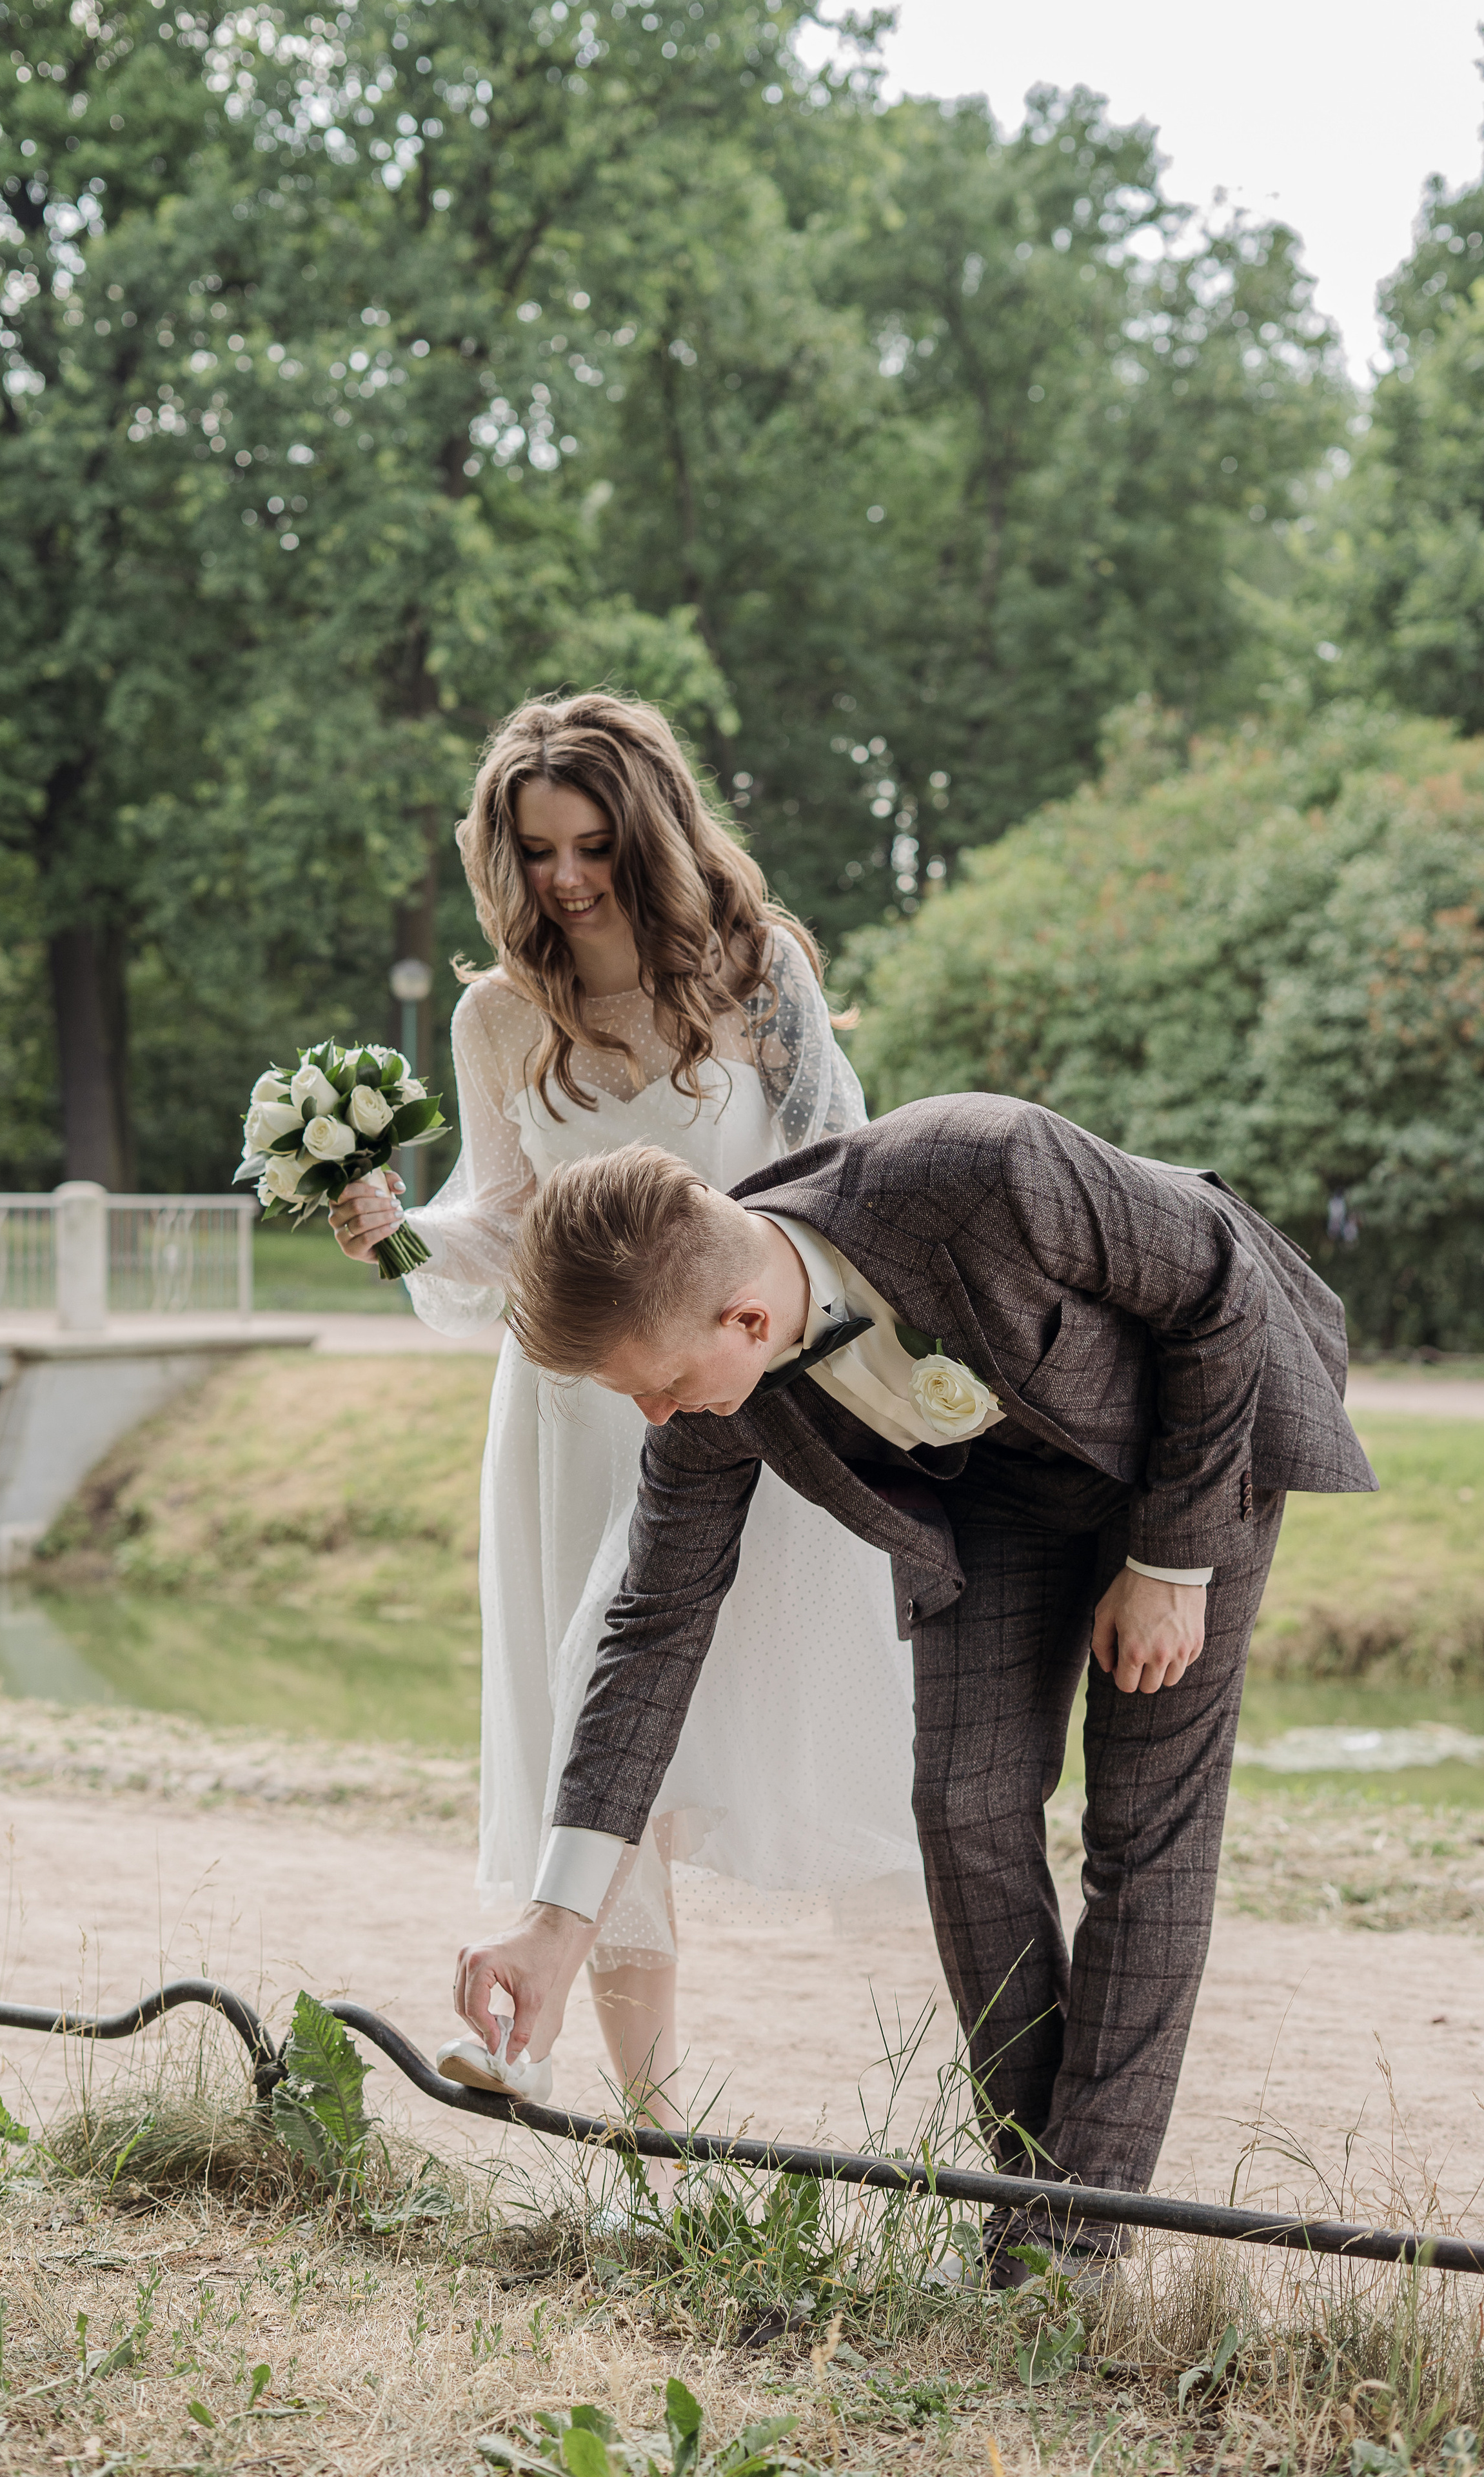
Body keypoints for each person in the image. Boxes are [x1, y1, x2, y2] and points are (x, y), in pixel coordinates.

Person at [450, 1106, 1378, 2282]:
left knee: (1143, 1829)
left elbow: (1220, 1286)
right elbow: (653, 1630)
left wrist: (1173, 1561)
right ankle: (1035, 2202)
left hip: (1198, 1443)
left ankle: (1061, 2251)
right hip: (1002, 1496)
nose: (656, 1416)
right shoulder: (716, 1398)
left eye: (665, 1385)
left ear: (745, 1318)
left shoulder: (983, 1170)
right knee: (963, 1806)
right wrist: (555, 1923)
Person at [330, 691, 923, 2131]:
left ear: (649, 832)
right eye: (534, 850)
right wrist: (400, 1234)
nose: (565, 878)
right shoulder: (496, 1017)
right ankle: (639, 2123)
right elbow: (507, 1236)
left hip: (735, 1397)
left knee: (756, 1715)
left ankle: (946, 2116)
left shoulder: (758, 974)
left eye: (591, 843)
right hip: (569, 1420)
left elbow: (832, 1180)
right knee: (596, 1728)